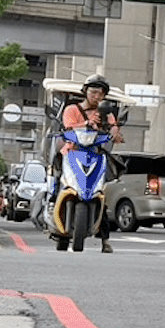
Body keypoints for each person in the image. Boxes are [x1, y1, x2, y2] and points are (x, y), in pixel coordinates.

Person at [57, 74, 123, 252]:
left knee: (100, 193)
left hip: (95, 155)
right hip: (73, 152)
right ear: (85, 92)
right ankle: (54, 211)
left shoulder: (105, 112)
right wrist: (87, 123)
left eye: (101, 94)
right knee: (59, 180)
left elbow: (113, 128)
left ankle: (105, 240)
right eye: (93, 92)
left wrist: (115, 131)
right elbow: (68, 127)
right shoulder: (72, 109)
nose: (97, 97)